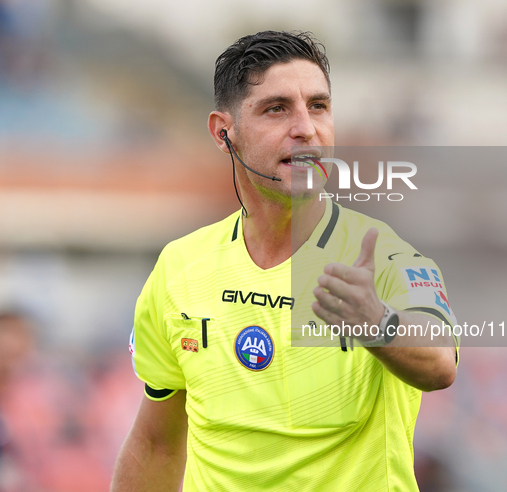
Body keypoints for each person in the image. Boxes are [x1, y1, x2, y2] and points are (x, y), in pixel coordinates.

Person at [111, 30, 458, 492]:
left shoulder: (385, 255)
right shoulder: (180, 266)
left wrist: (375, 321)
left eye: (319, 106)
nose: (306, 128)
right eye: (277, 109)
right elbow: (157, 444)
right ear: (223, 132)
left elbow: (439, 364)